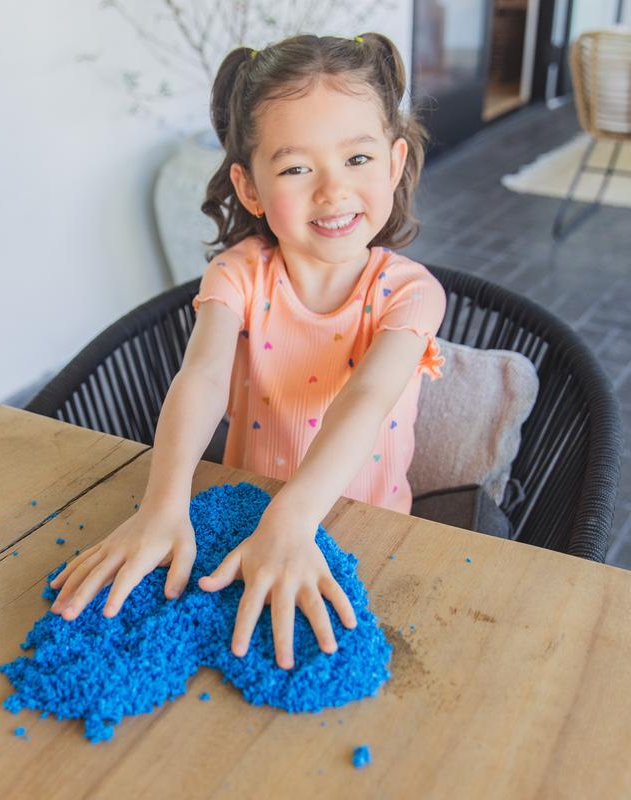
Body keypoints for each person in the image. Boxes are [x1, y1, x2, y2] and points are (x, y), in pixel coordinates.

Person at [50, 33, 446, 671]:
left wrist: (294, 519)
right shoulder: (237, 275)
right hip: (244, 522)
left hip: (370, 535)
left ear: (395, 164)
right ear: (251, 187)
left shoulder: (411, 294)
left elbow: (368, 400)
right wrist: (163, 503)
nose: (332, 191)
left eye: (358, 159)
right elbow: (201, 377)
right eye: (296, 168)